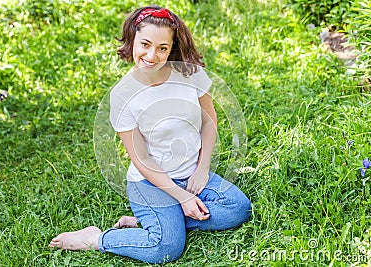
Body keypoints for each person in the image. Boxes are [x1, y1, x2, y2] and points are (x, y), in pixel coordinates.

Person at [49, 6, 251, 264]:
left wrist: (202, 169)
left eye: (162, 48)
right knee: (166, 248)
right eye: (145, 44)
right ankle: (96, 239)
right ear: (133, 39)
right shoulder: (122, 95)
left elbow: (209, 123)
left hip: (191, 173)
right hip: (150, 183)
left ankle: (162, 220)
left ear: (172, 47)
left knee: (238, 209)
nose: (151, 55)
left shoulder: (191, 73)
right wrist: (183, 198)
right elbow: (141, 158)